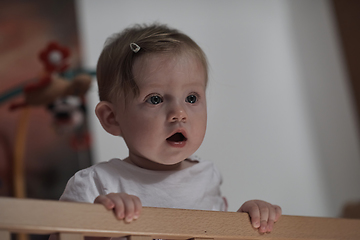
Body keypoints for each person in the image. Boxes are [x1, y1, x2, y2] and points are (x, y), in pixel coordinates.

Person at [55, 23, 282, 239]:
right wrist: (95, 225)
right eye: (155, 99)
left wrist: (245, 222)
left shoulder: (207, 177)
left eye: (191, 98)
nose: (179, 112)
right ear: (112, 118)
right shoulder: (96, 184)